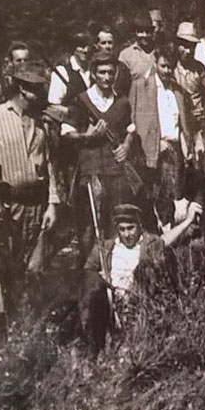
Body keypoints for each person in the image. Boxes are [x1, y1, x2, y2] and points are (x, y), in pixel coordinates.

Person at [0, 62, 59, 316]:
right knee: (7, 266)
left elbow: (51, 164)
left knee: (35, 267)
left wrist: (53, 202)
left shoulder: (41, 121)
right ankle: (3, 319)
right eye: (35, 89)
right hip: (6, 205)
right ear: (22, 89)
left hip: (37, 204)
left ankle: (29, 320)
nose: (40, 95)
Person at [80, 201, 202, 353]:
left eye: (131, 228)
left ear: (139, 226)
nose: (127, 234)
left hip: (138, 300)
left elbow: (167, 239)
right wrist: (100, 277)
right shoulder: (105, 247)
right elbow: (88, 271)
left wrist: (188, 220)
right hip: (110, 301)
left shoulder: (149, 244)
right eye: (122, 229)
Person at [63, 53, 140, 264]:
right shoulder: (81, 101)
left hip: (116, 173)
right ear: (94, 74)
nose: (106, 77)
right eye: (102, 72)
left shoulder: (122, 102)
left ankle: (116, 271)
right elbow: (66, 134)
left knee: (115, 223)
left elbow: (130, 129)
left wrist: (126, 145)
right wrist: (87, 136)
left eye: (110, 73)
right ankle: (90, 274)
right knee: (89, 227)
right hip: (90, 173)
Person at [151, 47, 203, 227]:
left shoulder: (178, 91)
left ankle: (174, 231)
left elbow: (182, 123)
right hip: (157, 148)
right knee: (160, 193)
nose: (166, 71)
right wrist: (157, 142)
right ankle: (161, 232)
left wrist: (186, 146)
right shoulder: (148, 88)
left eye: (170, 67)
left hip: (175, 147)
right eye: (163, 66)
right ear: (156, 64)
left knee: (176, 191)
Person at [119, 15, 163, 170]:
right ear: (134, 33)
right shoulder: (126, 55)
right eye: (140, 32)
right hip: (137, 110)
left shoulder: (158, 52)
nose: (144, 35)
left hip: (159, 108)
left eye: (147, 31)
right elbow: (121, 89)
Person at [173, 22, 205, 152]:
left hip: (198, 126)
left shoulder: (199, 69)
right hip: (178, 126)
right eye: (184, 46)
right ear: (177, 45)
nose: (188, 51)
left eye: (191, 47)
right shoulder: (170, 68)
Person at [48, 32, 93, 106]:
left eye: (90, 46)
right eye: (82, 46)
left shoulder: (96, 71)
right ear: (74, 47)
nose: (86, 50)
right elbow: (54, 105)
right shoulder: (62, 72)